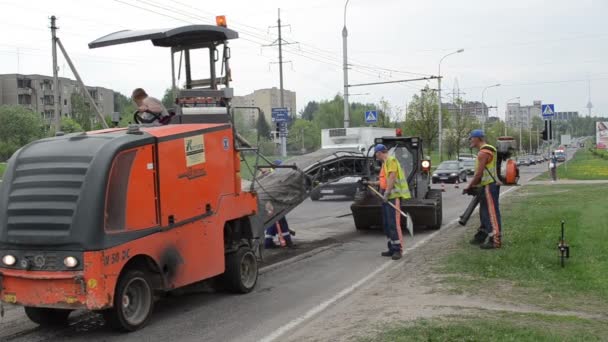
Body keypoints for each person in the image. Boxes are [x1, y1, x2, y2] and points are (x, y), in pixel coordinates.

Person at [368, 144, 411, 260]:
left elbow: (392, 177)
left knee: (394, 224)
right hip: (386, 198)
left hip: (393, 197)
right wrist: (371, 183)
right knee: (387, 224)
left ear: (379, 153)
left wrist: (386, 193)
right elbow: (383, 181)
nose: (376, 157)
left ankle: (398, 250)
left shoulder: (391, 160)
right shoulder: (384, 164)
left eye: (376, 154)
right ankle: (392, 247)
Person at [464, 129, 502, 249]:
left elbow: (479, 174)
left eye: (471, 138)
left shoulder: (483, 153)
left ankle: (495, 241)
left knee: (491, 213)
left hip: (489, 186)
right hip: (490, 185)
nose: (470, 140)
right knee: (487, 212)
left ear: (478, 138)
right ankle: (488, 236)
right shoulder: (490, 149)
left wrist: (468, 186)